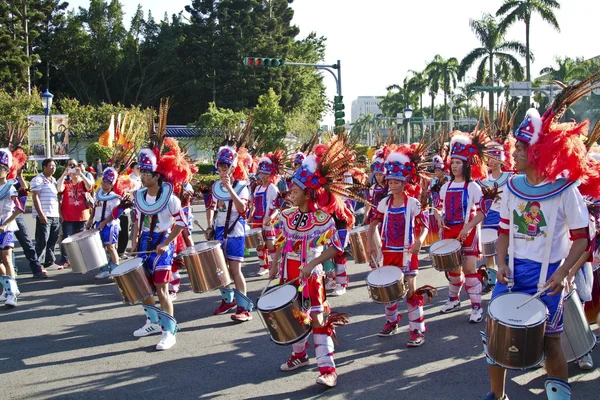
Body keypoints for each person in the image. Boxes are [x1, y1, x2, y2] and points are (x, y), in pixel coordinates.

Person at [482, 100, 593, 400]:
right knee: (496, 337)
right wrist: (500, 262)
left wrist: (563, 272)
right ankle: (498, 395)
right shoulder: (512, 186)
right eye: (516, 146)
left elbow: (583, 238)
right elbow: (504, 230)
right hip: (513, 274)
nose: (515, 152)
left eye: (521, 147)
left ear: (537, 152)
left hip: (548, 279)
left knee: (552, 343)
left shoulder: (566, 189)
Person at [270, 138, 359, 388]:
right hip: (289, 274)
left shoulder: (323, 219)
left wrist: (313, 263)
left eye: (295, 191)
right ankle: (300, 355)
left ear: (308, 194)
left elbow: (336, 248)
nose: (290, 194)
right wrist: (275, 265)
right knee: (296, 316)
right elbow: (281, 242)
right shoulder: (287, 216)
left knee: (318, 319)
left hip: (311, 277)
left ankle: (328, 369)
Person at [367, 146, 434, 346]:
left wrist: (420, 241)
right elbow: (372, 224)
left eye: (397, 181)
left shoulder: (413, 203)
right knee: (389, 291)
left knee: (411, 292)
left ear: (404, 183)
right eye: (390, 181)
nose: (393, 184)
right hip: (388, 252)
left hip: (407, 252)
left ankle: (417, 331)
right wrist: (370, 245)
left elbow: (424, 225)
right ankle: (392, 321)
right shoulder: (384, 203)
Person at [130, 147, 188, 350]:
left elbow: (182, 223)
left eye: (146, 173)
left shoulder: (171, 198)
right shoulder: (139, 196)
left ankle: (169, 331)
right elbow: (137, 222)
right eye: (142, 172)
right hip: (145, 242)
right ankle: (152, 322)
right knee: (144, 287)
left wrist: (166, 243)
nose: (142, 177)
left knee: (162, 289)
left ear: (156, 176)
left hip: (164, 242)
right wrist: (134, 243)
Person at [434, 132, 487, 323]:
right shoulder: (445, 186)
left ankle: (476, 308)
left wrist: (468, 227)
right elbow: (438, 207)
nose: (455, 166)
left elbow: (482, 212)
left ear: (466, 164)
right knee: (453, 271)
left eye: (458, 162)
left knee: (470, 270)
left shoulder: (473, 187)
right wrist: (438, 216)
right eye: (453, 162)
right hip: (449, 232)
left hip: (469, 232)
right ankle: (453, 300)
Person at [205, 145, 253, 322]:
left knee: (234, 270)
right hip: (219, 231)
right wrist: (209, 226)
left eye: (225, 166)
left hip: (236, 231)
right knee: (220, 269)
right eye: (219, 166)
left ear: (233, 168)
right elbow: (211, 207)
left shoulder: (242, 186)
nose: (222, 170)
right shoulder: (216, 186)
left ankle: (244, 308)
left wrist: (230, 189)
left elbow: (243, 210)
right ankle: (228, 300)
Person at [56, 158, 93, 269]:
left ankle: (82, 260)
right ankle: (66, 260)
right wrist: (64, 174)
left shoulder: (82, 182)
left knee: (81, 240)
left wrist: (81, 174)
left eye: (74, 165)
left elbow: (89, 186)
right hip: (68, 217)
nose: (72, 167)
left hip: (82, 216)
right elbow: (58, 188)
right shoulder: (66, 184)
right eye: (70, 165)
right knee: (68, 240)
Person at [0, 149, 26, 306]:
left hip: (7, 227)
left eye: (2, 168)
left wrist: (4, 224)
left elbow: (19, 208)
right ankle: (8, 288)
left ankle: (11, 295)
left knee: (7, 258)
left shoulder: (10, 187)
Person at [249, 152, 282, 277]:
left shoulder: (273, 188)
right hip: (257, 220)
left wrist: (270, 218)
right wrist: (250, 216)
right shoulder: (257, 188)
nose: (264, 176)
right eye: (262, 174)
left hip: (269, 221)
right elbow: (253, 205)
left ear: (271, 175)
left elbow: (277, 207)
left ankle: (276, 267)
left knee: (271, 245)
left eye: (266, 174)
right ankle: (263, 266)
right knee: (259, 245)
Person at [87, 167, 122, 279]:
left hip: (110, 225)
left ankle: (116, 270)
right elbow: (95, 208)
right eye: (103, 181)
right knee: (100, 247)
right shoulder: (98, 194)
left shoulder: (115, 198)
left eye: (107, 182)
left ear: (111, 184)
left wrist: (104, 223)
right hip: (98, 223)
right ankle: (105, 269)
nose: (103, 184)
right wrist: (91, 220)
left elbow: (115, 213)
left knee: (110, 246)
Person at [31, 158, 61, 271]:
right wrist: (41, 214)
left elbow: (57, 198)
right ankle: (39, 265)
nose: (53, 168)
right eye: (51, 166)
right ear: (44, 167)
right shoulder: (38, 179)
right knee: (42, 240)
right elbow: (35, 197)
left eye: (54, 166)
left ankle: (49, 262)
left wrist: (59, 214)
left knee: (52, 240)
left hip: (55, 215)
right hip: (45, 215)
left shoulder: (53, 180)